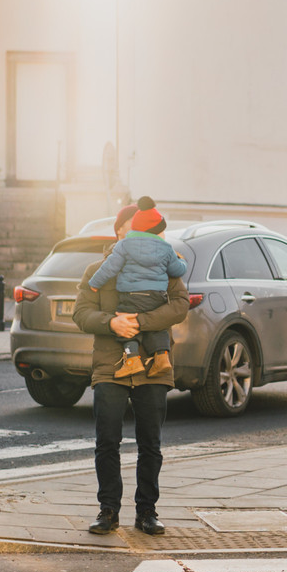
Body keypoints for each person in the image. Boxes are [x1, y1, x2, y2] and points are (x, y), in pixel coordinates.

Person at [74, 203, 190, 537]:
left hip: (154, 365)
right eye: (131, 226)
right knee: (107, 440)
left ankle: (147, 511)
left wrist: (140, 322)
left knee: (150, 443)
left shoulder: (163, 264)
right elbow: (81, 313)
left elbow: (180, 306)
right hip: (110, 364)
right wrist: (111, 322)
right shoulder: (99, 270)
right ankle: (108, 510)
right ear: (121, 231)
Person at [87, 196, 187, 379]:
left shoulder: (125, 246)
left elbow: (109, 268)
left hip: (132, 295)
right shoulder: (166, 250)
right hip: (157, 296)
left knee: (126, 318)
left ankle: (131, 360)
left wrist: (94, 284)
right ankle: (162, 358)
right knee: (158, 327)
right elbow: (178, 269)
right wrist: (182, 262)